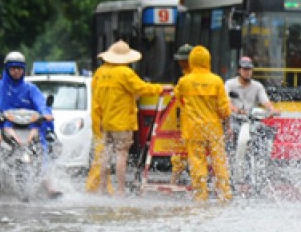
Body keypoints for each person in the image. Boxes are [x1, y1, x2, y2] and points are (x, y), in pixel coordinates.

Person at [0, 51, 61, 197]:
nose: (16, 71)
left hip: (29, 127)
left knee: (42, 143)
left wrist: (46, 113)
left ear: (24, 69)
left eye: (19, 68)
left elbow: (41, 104)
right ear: (7, 69)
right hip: (3, 126)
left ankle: (46, 181)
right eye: (13, 68)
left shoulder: (31, 89)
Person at [88, 40, 163, 196]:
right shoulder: (125, 72)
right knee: (121, 154)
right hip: (122, 122)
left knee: (106, 154)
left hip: (106, 121)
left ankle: (103, 188)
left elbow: (97, 95)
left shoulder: (100, 72)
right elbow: (141, 88)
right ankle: (120, 190)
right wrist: (160, 88)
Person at [173, 45, 232, 203]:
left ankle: (200, 195)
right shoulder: (216, 81)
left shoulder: (184, 81)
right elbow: (224, 109)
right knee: (219, 161)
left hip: (193, 129)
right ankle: (224, 194)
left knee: (197, 161)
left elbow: (178, 99)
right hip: (213, 128)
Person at [170, 44, 193, 186]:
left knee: (191, 155)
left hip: (191, 125)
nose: (181, 63)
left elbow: (178, 95)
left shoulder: (186, 80)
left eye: (184, 60)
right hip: (188, 123)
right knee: (181, 155)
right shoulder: (185, 77)